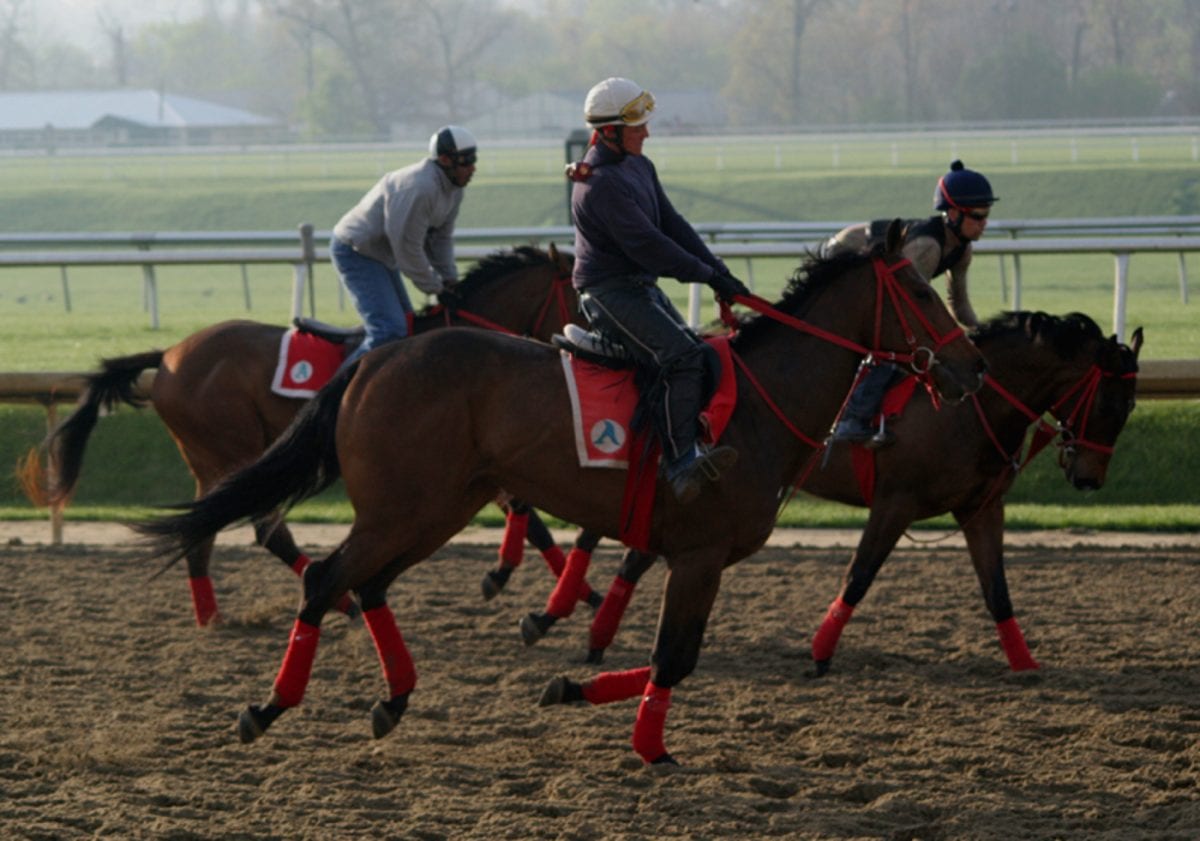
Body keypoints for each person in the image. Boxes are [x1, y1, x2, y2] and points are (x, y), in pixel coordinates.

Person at [567, 77, 750, 504]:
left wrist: (719, 271)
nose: (647, 133)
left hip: (638, 288)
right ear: (610, 131)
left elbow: (672, 225)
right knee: (683, 358)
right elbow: (650, 246)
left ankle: (673, 438)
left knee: (701, 354)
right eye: (637, 126)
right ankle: (679, 463)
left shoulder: (638, 166)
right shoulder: (600, 185)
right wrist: (707, 276)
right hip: (608, 295)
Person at [827, 159, 997, 446]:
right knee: (899, 345)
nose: (984, 224)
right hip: (841, 255)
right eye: (978, 216)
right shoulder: (927, 248)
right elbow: (905, 310)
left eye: (986, 216)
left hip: (866, 264)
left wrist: (982, 335)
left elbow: (959, 305)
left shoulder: (963, 251)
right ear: (953, 213)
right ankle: (851, 419)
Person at [331, 125, 478, 367]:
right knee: (389, 331)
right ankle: (336, 394)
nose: (473, 168)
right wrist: (435, 288)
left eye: (474, 159)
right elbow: (407, 249)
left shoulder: (454, 189)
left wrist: (450, 280)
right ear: (444, 160)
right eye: (466, 161)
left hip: (382, 254)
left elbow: (440, 241)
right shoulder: (420, 188)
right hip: (356, 251)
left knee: (409, 326)